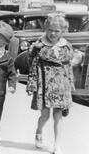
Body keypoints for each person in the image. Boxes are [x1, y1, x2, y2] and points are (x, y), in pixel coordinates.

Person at [26, 13, 75, 154]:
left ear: (63, 31)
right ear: (46, 28)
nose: (53, 33)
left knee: (58, 116)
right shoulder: (39, 46)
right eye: (50, 30)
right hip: (44, 85)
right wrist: (32, 84)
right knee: (45, 115)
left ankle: (57, 144)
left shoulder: (66, 46)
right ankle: (39, 131)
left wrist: (70, 82)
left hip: (60, 86)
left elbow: (68, 66)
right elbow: (33, 65)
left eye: (57, 31)